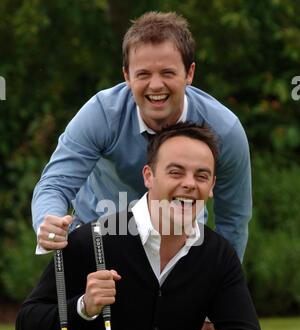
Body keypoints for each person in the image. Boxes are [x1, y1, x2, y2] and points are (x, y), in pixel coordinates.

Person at [17, 122, 289, 330]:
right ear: (149, 176)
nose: (189, 184)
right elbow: (28, 327)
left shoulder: (217, 254)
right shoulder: (94, 240)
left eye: (201, 176)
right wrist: (83, 307)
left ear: (212, 185)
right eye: (176, 172)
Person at [33, 11, 251, 264]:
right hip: (100, 244)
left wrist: (222, 283)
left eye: (167, 73)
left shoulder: (225, 130)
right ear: (127, 76)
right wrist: (48, 222)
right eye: (144, 74)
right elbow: (55, 184)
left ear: (189, 73)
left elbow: (233, 218)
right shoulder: (101, 114)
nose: (156, 85)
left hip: (181, 248)